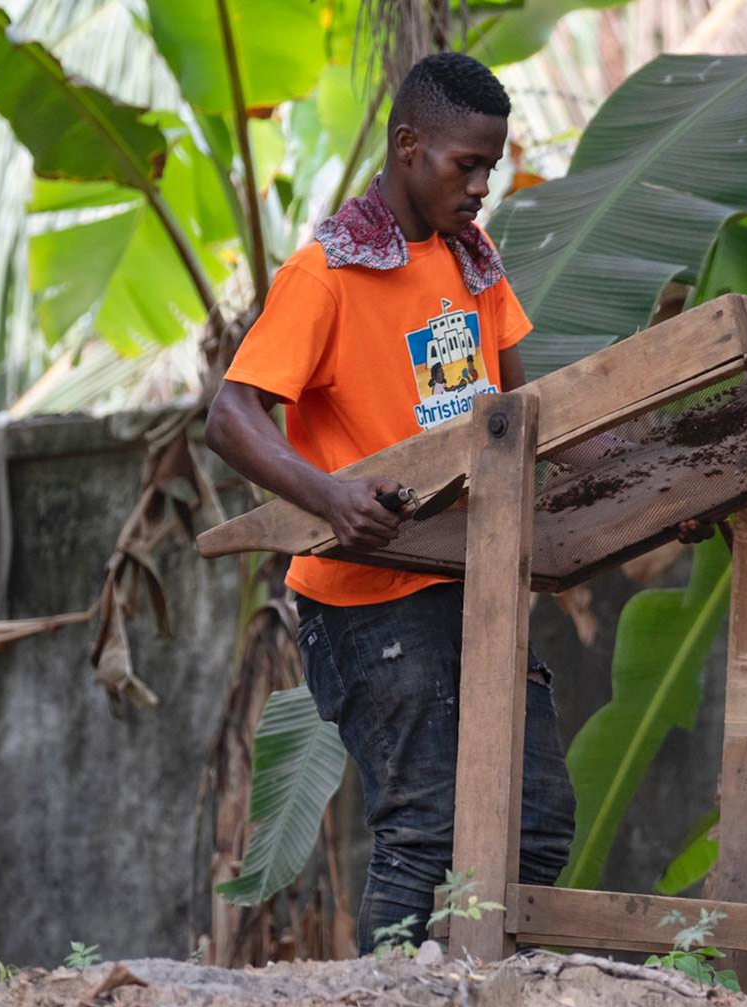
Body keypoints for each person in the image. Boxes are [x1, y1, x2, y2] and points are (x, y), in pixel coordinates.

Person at [204, 52, 575, 954]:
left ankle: (481, 1006)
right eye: (467, 165)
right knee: (423, 830)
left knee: (534, 822)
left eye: (492, 164)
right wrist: (330, 495)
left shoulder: (473, 260)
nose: (484, 184)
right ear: (408, 147)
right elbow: (231, 414)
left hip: (472, 579)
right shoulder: (326, 274)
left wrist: (653, 489)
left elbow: (522, 415)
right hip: (368, 602)